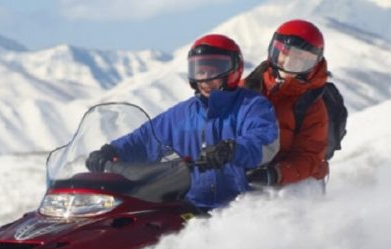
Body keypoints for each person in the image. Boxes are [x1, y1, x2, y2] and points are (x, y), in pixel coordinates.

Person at [85, 34, 279, 210]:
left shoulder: (251, 106)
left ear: (233, 70)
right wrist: (113, 151)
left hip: (237, 207)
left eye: (214, 71)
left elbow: (264, 140)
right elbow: (145, 138)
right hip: (188, 205)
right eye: (199, 71)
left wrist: (231, 149)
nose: (205, 80)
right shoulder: (184, 114)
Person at [243, 19, 329, 186]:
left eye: (300, 59)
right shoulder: (247, 87)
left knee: (282, 200)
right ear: (274, 51)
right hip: (247, 170)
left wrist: (275, 174)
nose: (288, 63)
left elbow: (309, 157)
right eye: (285, 54)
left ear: (312, 64)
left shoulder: (312, 106)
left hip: (296, 178)